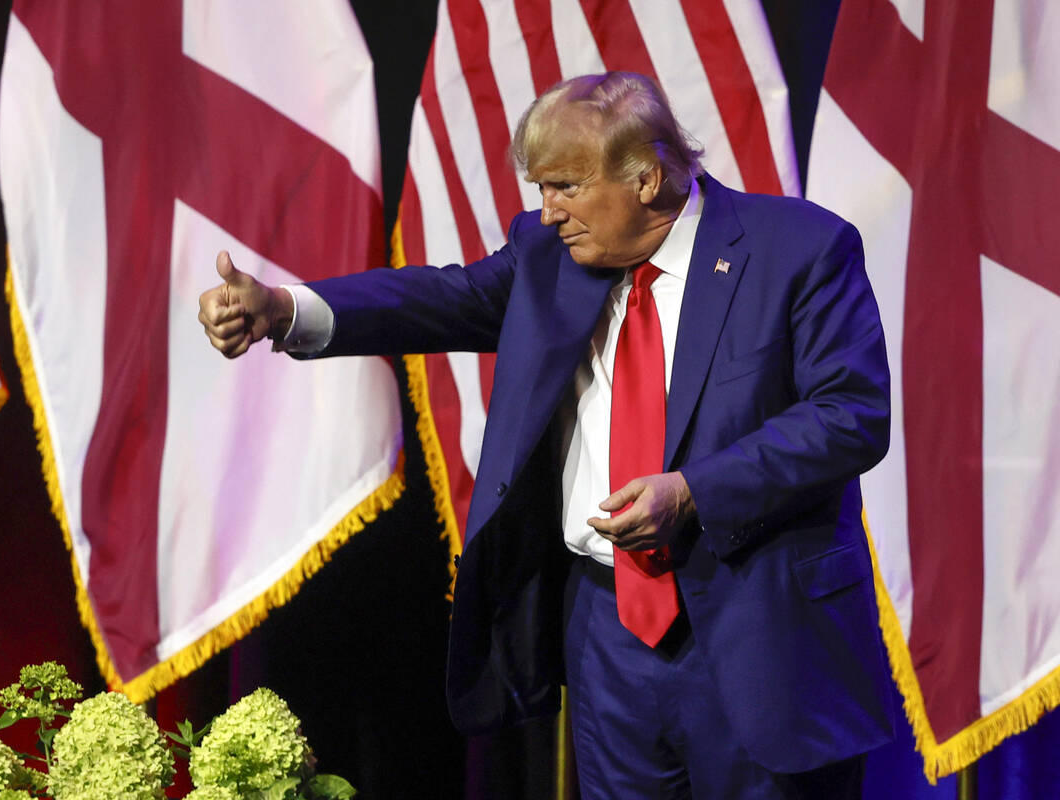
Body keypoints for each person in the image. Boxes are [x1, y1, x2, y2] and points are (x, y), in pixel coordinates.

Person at [198, 72, 895, 799]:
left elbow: (849, 414)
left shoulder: (799, 251)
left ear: (648, 178)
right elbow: (440, 298)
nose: (547, 211)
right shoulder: (549, 255)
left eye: (565, 186)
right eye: (540, 188)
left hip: (758, 623)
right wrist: (284, 309)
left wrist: (692, 491)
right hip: (608, 631)